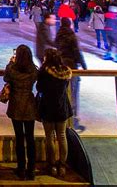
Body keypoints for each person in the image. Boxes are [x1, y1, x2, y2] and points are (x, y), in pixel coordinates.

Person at [3, 44, 38, 181]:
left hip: (16, 104)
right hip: (29, 104)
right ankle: (31, 170)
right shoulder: (33, 70)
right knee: (30, 138)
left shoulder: (12, 69)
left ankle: (21, 168)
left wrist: (10, 63)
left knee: (19, 137)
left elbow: (6, 78)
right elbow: (36, 79)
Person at [36, 48, 73, 179]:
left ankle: (51, 164)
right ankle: (62, 165)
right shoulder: (65, 73)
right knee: (62, 136)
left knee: (49, 136)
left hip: (48, 108)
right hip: (62, 107)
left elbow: (39, 88)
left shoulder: (44, 73)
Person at [55, 17, 87, 131]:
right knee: (73, 91)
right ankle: (71, 119)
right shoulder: (71, 36)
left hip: (61, 66)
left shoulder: (58, 35)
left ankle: (63, 116)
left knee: (63, 91)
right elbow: (76, 51)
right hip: (71, 67)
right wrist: (84, 66)